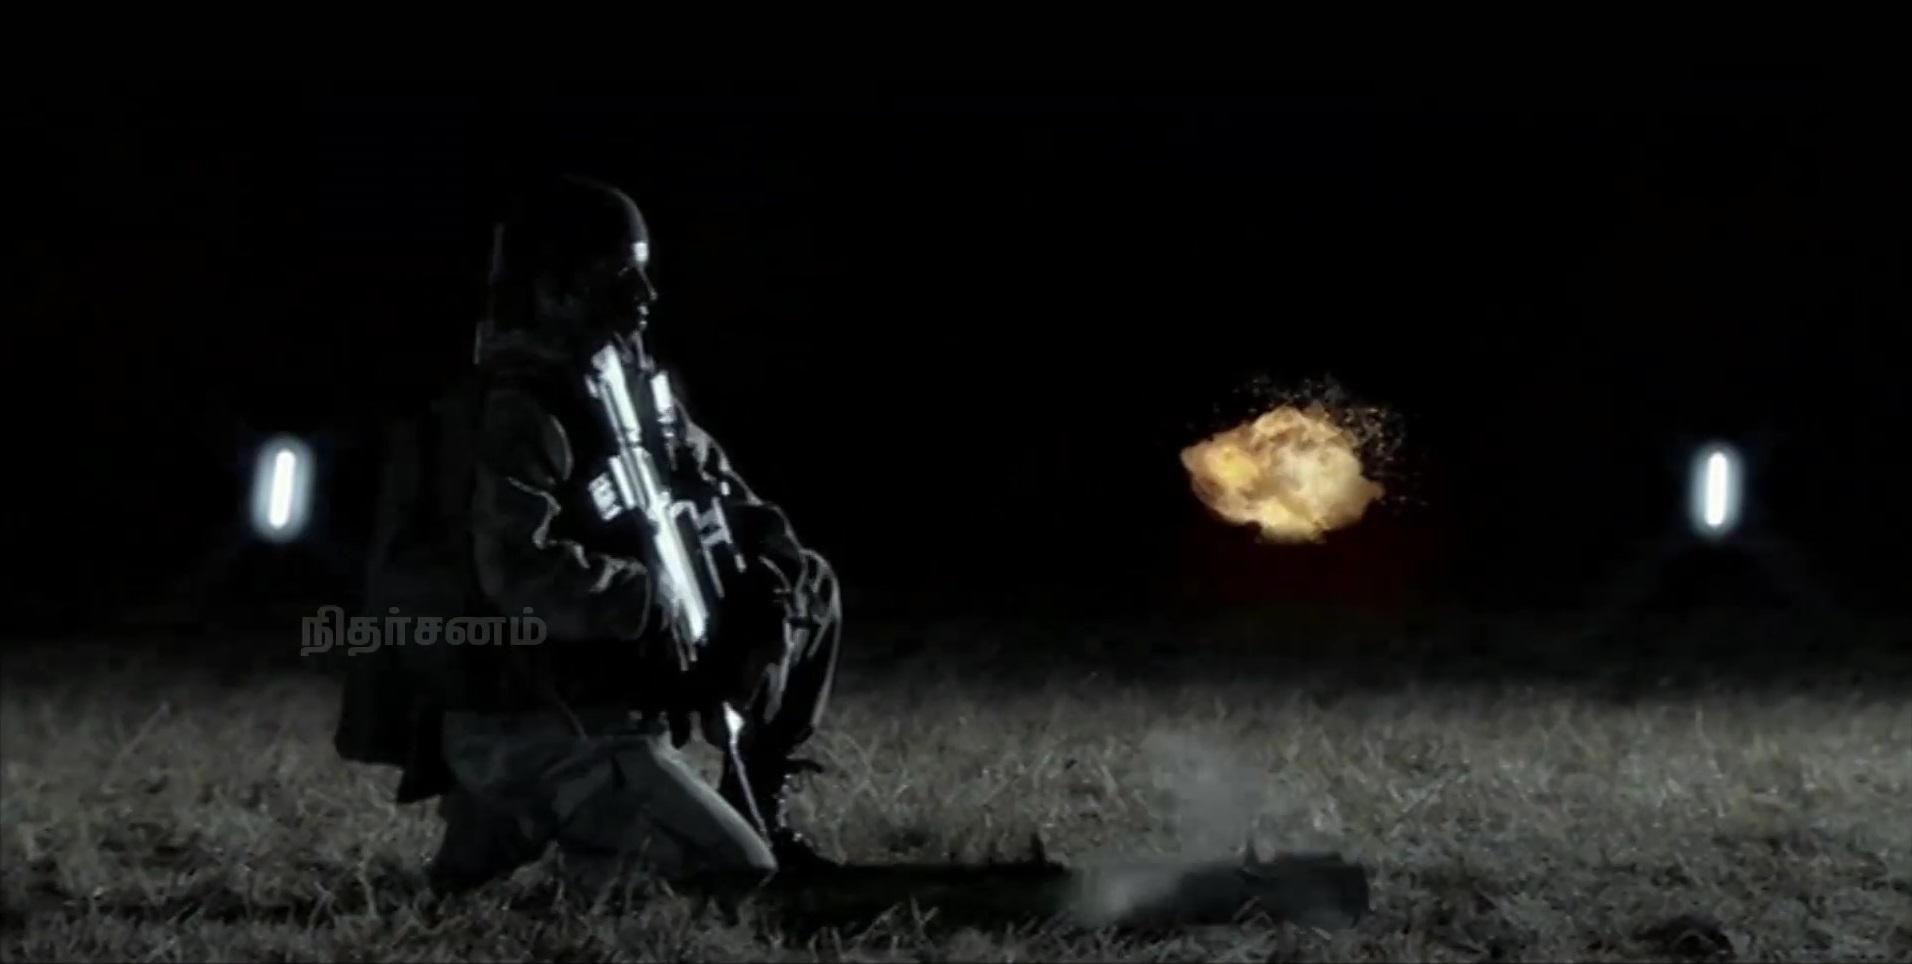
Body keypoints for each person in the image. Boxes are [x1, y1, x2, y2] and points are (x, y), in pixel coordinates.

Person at [333, 174, 842, 897]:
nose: (645, 296)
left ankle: (731, 798)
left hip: (605, 709)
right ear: (554, 291)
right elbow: (518, 572)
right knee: (736, 876)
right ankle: (526, 809)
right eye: (619, 276)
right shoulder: (520, 410)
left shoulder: (626, 393)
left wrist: (769, 578)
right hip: (540, 716)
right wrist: (654, 599)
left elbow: (732, 500)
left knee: (808, 582)